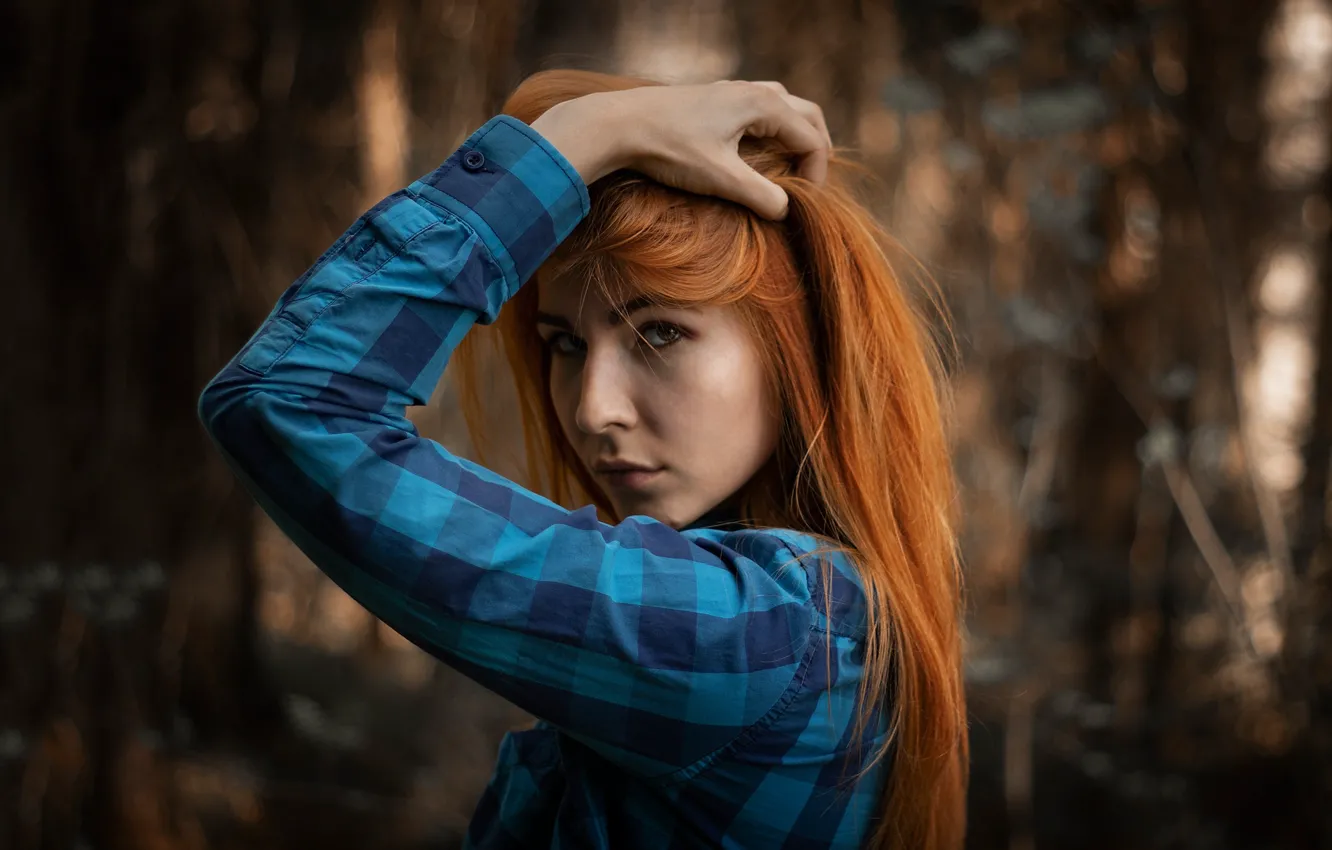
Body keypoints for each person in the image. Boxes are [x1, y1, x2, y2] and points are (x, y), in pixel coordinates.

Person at [199, 70, 967, 849]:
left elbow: (289, 400)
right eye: (565, 344)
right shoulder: (827, 618)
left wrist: (591, 132)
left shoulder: (753, 637)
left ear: (793, 353)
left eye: (659, 332)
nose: (593, 409)